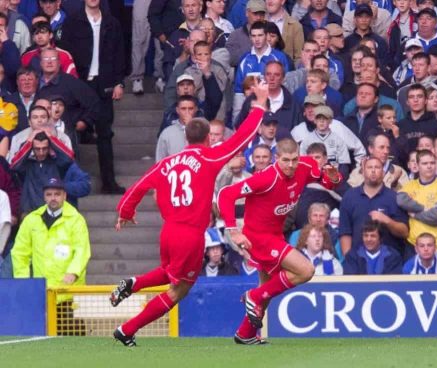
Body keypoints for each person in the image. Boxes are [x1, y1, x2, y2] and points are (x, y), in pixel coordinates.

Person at [108, 82, 269, 347]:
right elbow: (243, 136)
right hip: (191, 234)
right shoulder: (209, 157)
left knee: (169, 272)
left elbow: (139, 185)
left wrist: (125, 211)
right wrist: (260, 105)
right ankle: (127, 329)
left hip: (168, 231)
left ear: (186, 139)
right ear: (207, 138)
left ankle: (133, 284)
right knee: (179, 289)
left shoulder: (167, 162)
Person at [217, 138, 341, 344]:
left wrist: (333, 177)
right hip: (258, 237)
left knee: (269, 286)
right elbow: (225, 194)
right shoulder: (265, 178)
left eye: (294, 159)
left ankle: (245, 334)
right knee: (305, 271)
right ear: (276, 158)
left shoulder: (306, 165)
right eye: (285, 160)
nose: (291, 165)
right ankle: (253, 296)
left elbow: (328, 182)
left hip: (275, 234)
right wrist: (233, 231)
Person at [60, 0, 127, 194]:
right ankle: (69, 183)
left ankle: (109, 182)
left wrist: (119, 82)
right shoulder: (73, 22)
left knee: (105, 134)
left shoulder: (111, 23)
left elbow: (119, 54)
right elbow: (66, 53)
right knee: (71, 132)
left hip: (104, 84)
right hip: (80, 84)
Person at [11, 177, 90, 335]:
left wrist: (73, 272)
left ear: (64, 196)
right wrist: (24, 281)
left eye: (57, 194)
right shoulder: (32, 220)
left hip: (68, 292)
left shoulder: (76, 220)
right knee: (41, 341)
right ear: (44, 196)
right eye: (49, 194)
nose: (53, 198)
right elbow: (20, 253)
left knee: (73, 337)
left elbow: (82, 249)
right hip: (41, 291)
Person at [339, 156, 409, 256]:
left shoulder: (394, 197)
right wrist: (349, 259)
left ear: (384, 173)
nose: (373, 170)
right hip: (358, 261)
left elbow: (404, 232)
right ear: (363, 172)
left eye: (377, 167)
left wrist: (387, 220)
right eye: (369, 167)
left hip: (388, 261)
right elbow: (345, 231)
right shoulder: (350, 196)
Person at [397, 149, 437, 256]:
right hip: (413, 245)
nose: (429, 166)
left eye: (432, 163)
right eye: (425, 163)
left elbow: (436, 217)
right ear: (417, 166)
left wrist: (414, 214)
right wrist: (423, 208)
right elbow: (400, 200)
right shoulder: (410, 185)